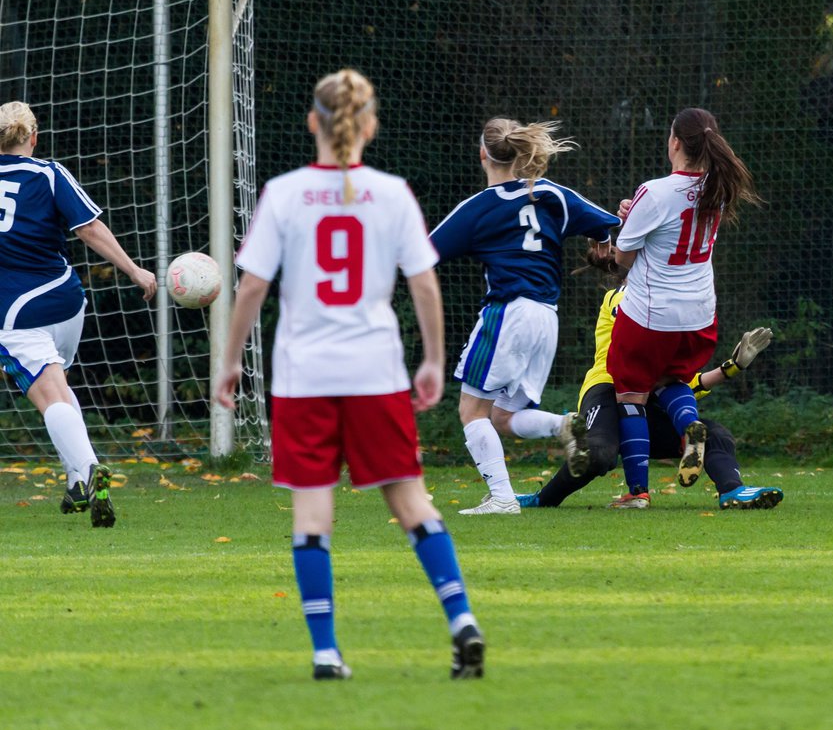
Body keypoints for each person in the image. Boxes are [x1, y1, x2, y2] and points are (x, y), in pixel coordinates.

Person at [212, 69, 484, 681]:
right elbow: (422, 282)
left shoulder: (284, 193)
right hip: (375, 371)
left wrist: (229, 363)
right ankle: (462, 619)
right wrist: (434, 361)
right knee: (412, 502)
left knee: (313, 517)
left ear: (313, 121)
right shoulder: (391, 193)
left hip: (304, 377)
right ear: (370, 125)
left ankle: (326, 652)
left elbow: (253, 285)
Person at [430, 117, 620, 515]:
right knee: (502, 415)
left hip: (509, 314)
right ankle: (563, 425)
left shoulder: (478, 208)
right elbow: (608, 222)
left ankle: (501, 498)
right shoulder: (551, 195)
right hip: (546, 318)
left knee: (471, 410)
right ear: (520, 151)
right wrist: (601, 243)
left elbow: (424, 252)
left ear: (483, 153)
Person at [0, 100, 156, 528]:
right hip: (67, 300)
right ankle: (74, 482)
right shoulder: (49, 172)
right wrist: (135, 270)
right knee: (60, 388)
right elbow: (88, 229)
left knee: (50, 396)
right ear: (32, 137)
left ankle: (88, 470)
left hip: (14, 309)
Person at [518, 259, 781, 510]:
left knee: (716, 434)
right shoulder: (622, 295)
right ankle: (545, 499)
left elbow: (687, 382)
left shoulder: (663, 305)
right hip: (608, 389)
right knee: (598, 453)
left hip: (647, 395)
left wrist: (733, 366)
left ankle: (732, 490)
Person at [607, 107, 760, 503]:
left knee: (631, 394)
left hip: (651, 314)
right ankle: (690, 424)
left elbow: (623, 257)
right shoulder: (719, 188)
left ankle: (637, 493)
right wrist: (635, 214)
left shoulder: (655, 190)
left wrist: (631, 220)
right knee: (672, 382)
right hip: (699, 315)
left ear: (675, 141)